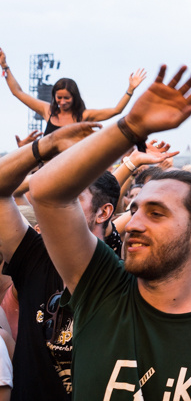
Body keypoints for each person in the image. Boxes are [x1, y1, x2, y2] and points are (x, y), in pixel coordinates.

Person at [27, 65, 191, 400]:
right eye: (135, 210)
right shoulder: (101, 285)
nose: (133, 224)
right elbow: (45, 191)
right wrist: (130, 127)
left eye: (156, 213)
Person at [0, 122, 119, 401]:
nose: (52, 204)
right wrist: (46, 146)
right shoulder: (34, 255)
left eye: (69, 196)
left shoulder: (126, 275)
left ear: (104, 212)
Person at [0, 47, 146, 133]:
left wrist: (130, 89)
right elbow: (17, 92)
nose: (62, 102)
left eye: (66, 98)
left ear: (74, 98)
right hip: (46, 170)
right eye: (59, 97)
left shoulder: (84, 115)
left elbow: (116, 110)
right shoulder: (47, 110)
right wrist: (5, 65)